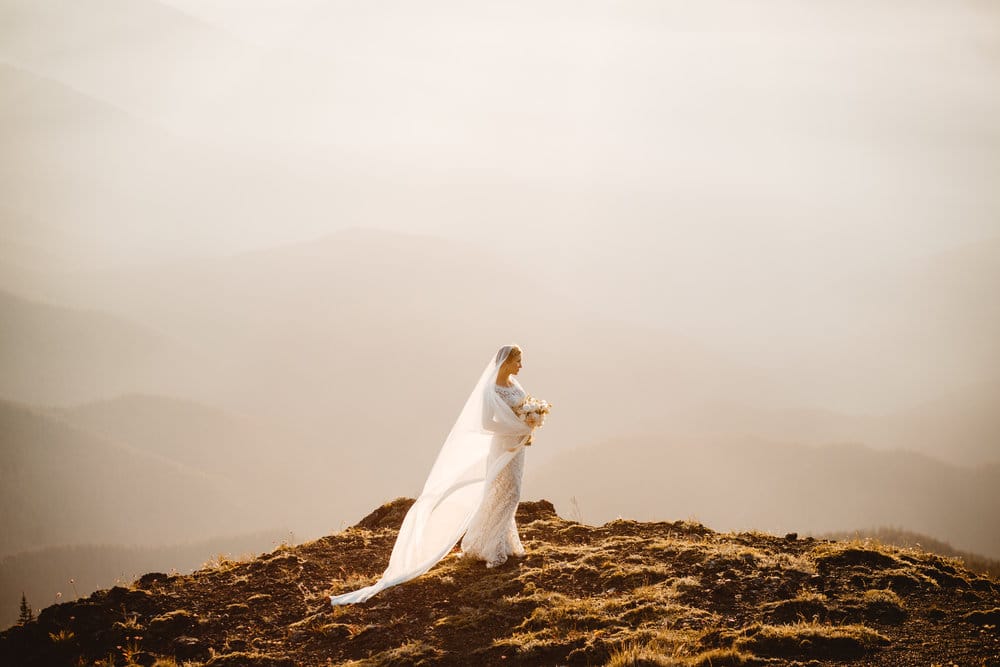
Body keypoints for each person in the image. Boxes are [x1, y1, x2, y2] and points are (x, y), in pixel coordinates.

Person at [329, 344, 544, 605]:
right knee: (505, 493)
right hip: (502, 447)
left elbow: (520, 405)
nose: (521, 365)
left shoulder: (515, 383)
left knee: (511, 493)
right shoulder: (490, 390)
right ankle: (492, 548)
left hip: (517, 448)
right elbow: (487, 423)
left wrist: (528, 420)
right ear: (506, 362)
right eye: (518, 361)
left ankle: (502, 543)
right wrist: (519, 424)